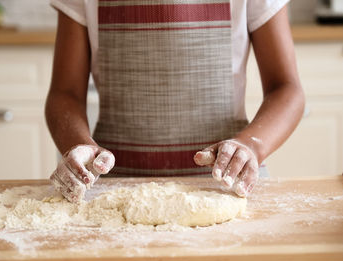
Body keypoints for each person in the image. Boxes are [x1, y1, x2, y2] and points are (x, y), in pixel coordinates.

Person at [46, 0, 305, 202]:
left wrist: (251, 146)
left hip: (227, 186)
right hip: (114, 190)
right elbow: (65, 92)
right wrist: (79, 146)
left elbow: (286, 88)